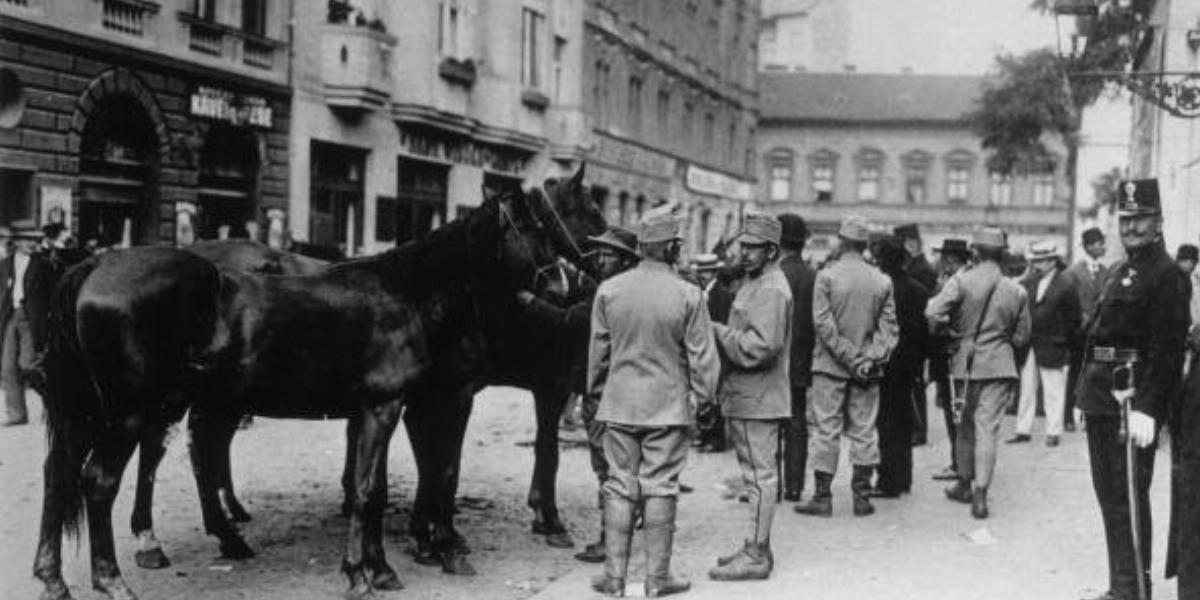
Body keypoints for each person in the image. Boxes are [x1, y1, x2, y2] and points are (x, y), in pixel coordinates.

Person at [587, 213, 719, 597]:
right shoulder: (689, 294)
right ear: (674, 248)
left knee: (618, 486)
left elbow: (598, 354)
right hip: (667, 406)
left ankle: (613, 578)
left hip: (619, 404)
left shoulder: (609, 290)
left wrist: (595, 392)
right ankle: (656, 579)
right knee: (661, 487)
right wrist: (707, 398)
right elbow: (702, 357)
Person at [1077, 179, 1188, 600]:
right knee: (1109, 496)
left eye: (1141, 218)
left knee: (1129, 495)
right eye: (1126, 219)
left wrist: (1150, 408)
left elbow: (1166, 348)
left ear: (1158, 222)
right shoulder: (1119, 271)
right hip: (1102, 395)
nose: (1132, 227)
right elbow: (1095, 336)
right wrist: (1080, 395)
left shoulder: (1167, 276)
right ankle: (1121, 584)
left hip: (1131, 401)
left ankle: (1135, 590)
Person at [515, 226, 641, 565]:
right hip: (633, 392)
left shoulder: (608, 293)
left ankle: (610, 541)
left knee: (608, 469)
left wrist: (532, 303)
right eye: (600, 253)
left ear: (627, 260)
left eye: (608, 254)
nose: (600, 259)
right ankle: (625, 528)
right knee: (628, 465)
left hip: (604, 395)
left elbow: (567, 319)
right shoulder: (637, 289)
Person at [707, 211, 792, 581]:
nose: (743, 253)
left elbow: (761, 347)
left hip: (758, 397)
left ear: (771, 250)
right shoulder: (758, 281)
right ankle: (758, 545)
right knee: (756, 476)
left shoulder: (771, 288)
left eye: (752, 248)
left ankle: (756, 555)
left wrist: (718, 332)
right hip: (750, 395)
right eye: (742, 245)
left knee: (760, 478)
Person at [795, 215, 897, 519]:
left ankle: (823, 498)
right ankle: (862, 497)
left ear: (841, 241)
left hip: (829, 366)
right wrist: (867, 359)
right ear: (865, 245)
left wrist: (848, 357)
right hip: (866, 370)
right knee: (865, 430)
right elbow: (889, 329)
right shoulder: (882, 280)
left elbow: (823, 326)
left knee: (826, 430)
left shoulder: (826, 277)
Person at [926, 226, 1031, 520]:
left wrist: (952, 330)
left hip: (965, 364)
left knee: (964, 426)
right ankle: (981, 497)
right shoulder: (1016, 290)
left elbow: (932, 313)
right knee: (988, 430)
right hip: (1000, 366)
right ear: (1001, 254)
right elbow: (1022, 337)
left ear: (974, 252)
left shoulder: (961, 281)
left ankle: (963, 484)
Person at [870, 234, 929, 497]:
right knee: (904, 422)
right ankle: (904, 478)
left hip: (884, 363)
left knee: (885, 424)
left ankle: (887, 481)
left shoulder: (879, 289)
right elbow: (922, 333)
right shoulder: (918, 290)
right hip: (909, 365)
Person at [1008, 241, 1081, 448]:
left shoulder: (1066, 284)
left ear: (1052, 261)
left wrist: (1063, 340)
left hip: (1053, 343)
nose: (1036, 265)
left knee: (1053, 389)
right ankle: (1023, 430)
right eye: (1035, 260)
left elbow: (1073, 319)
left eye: (1040, 261)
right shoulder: (1031, 281)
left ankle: (1053, 431)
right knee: (1027, 388)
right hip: (1031, 344)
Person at [0, 226, 56, 426]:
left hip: (32, 319)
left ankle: (53, 404)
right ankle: (16, 414)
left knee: (29, 365)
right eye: (28, 239)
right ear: (16, 241)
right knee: (7, 368)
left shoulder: (44, 265)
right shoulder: (4, 264)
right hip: (9, 317)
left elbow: (54, 294)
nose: (33, 243)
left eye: (36, 239)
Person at [778, 213, 816, 503]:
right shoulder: (813, 276)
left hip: (772, 362)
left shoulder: (772, 276)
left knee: (767, 426)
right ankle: (794, 486)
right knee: (797, 423)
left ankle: (770, 485)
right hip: (801, 361)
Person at [929, 238, 973, 481]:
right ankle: (966, 462)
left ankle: (959, 464)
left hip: (954, 353)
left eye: (944, 257)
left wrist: (943, 325)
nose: (941, 261)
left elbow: (934, 314)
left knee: (955, 411)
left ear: (952, 259)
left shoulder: (955, 282)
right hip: (973, 355)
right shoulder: (972, 278)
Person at [895, 223, 937, 446]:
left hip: (916, 337)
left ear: (911, 243)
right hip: (911, 336)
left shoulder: (923, 271)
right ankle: (913, 426)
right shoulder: (919, 268)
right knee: (911, 384)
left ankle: (919, 430)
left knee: (916, 385)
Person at [1064, 227, 1110, 432]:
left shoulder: (1108, 272)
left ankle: (1089, 416)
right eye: (1099, 243)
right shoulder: (1073, 272)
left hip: (1099, 333)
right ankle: (1068, 416)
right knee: (1075, 373)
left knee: (1095, 374)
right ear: (1088, 246)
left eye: (1102, 243)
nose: (1102, 247)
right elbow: (1068, 302)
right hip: (1079, 333)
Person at [690, 252, 730, 454]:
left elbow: (724, 323)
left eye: (706, 271)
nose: (702, 275)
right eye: (700, 271)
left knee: (716, 394)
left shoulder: (723, 294)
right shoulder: (698, 293)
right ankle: (704, 434)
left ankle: (717, 439)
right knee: (702, 393)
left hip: (717, 350)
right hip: (701, 350)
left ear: (714, 272)